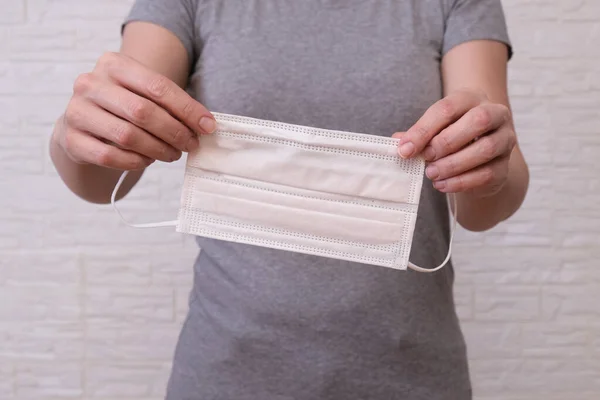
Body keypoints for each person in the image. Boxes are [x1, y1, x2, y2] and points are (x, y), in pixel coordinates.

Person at [50, 1, 529, 399]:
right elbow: (99, 179)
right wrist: (76, 132)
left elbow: (485, 202)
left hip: (413, 374)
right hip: (226, 374)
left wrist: (489, 166)